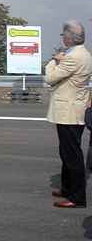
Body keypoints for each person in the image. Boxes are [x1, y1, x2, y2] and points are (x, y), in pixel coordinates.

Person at [46, 20, 92, 209]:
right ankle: (67, 188)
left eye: (63, 35)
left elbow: (50, 78)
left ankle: (77, 196)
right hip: (73, 108)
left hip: (69, 111)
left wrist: (53, 61)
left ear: (69, 38)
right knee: (66, 152)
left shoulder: (73, 57)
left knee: (72, 155)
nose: (62, 38)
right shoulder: (83, 53)